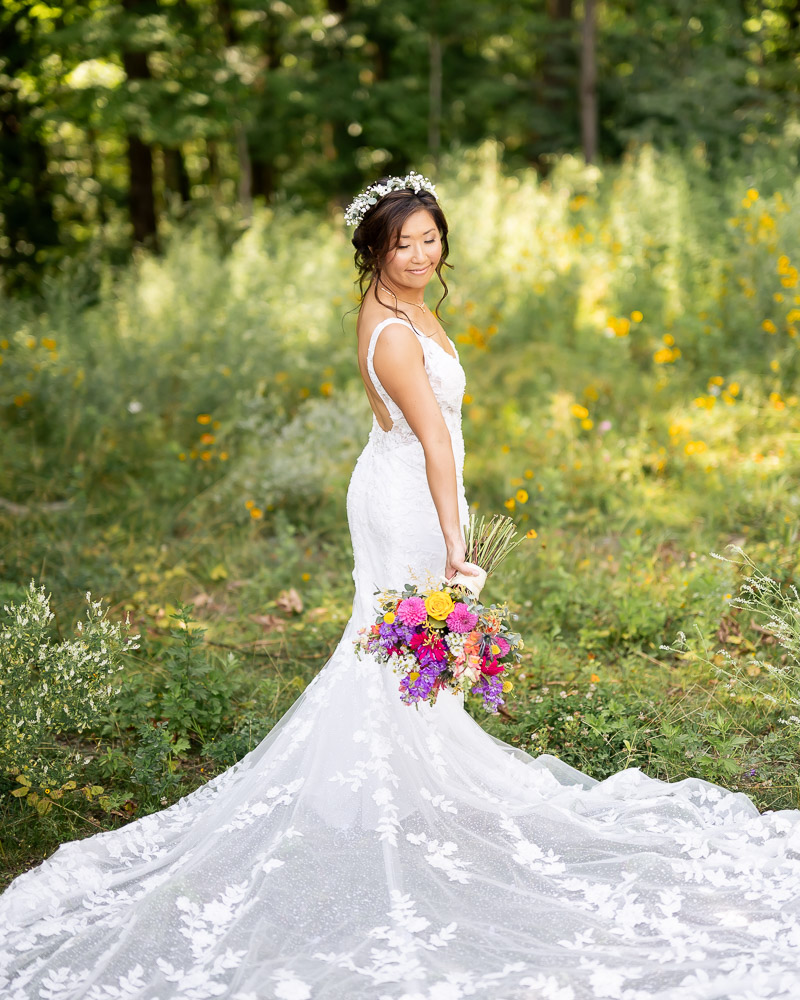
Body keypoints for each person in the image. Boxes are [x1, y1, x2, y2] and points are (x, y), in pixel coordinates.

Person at [2, 172, 800, 1000]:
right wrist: (457, 546)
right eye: (402, 245)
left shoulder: (409, 306)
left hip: (413, 484)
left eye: (430, 240)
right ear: (373, 252)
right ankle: (374, 794)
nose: (420, 256)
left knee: (396, 643)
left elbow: (434, 432)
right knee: (397, 639)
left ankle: (420, 773)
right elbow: (433, 439)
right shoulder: (390, 332)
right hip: (409, 496)